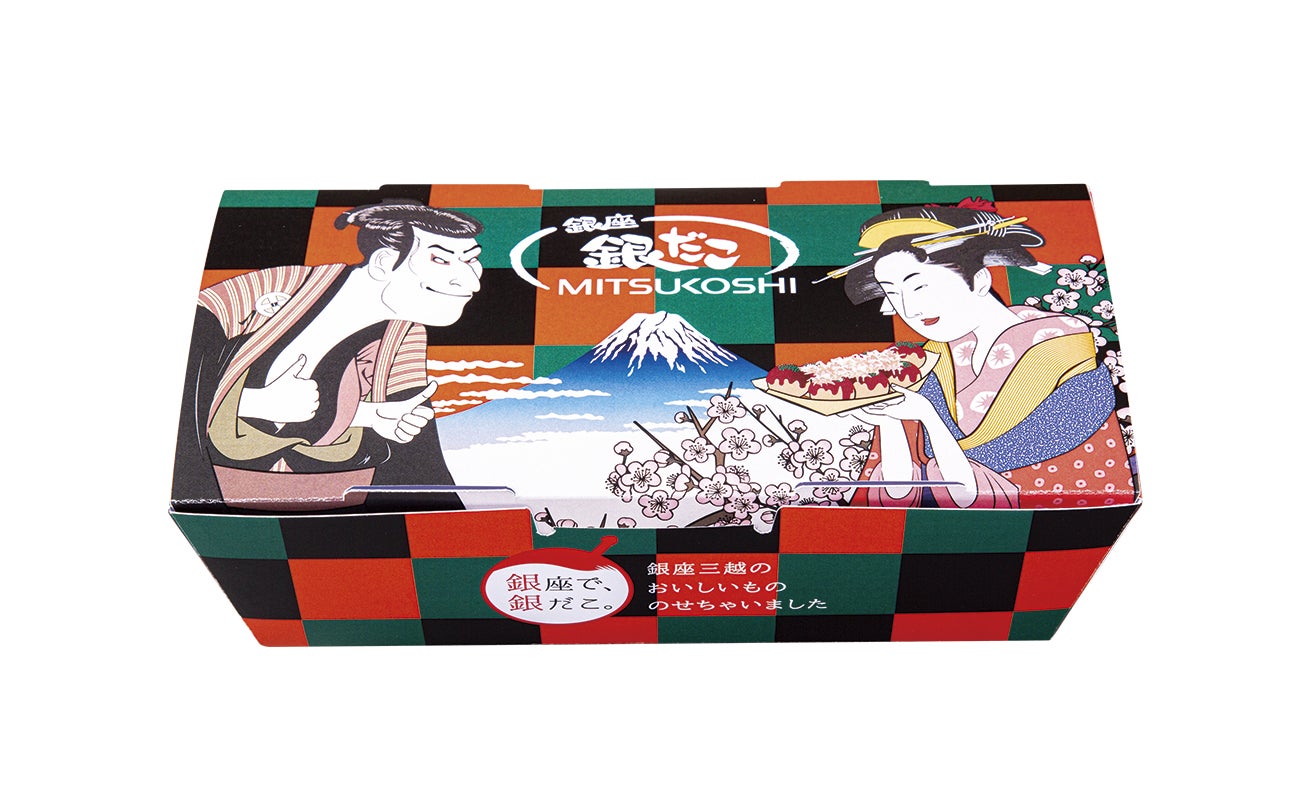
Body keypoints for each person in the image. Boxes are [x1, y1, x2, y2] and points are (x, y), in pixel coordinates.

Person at [172, 201, 484, 512]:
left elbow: (425, 474)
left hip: (342, 502)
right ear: (384, 262)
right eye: (441, 260)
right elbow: (177, 376)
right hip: (224, 496)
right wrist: (251, 403)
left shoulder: (403, 336)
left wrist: (371, 418)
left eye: (472, 260)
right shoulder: (277, 287)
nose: (472, 281)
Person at [841, 200, 1135, 509]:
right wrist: (887, 420)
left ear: (980, 280)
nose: (909, 309)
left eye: (920, 287)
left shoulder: (1064, 356)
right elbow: (897, 492)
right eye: (892, 293)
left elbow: (973, 493)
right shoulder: (932, 362)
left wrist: (928, 416)